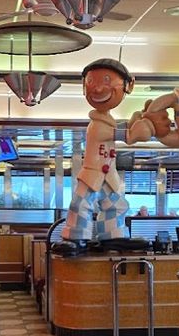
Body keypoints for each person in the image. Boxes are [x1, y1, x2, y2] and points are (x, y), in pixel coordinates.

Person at [57, 59, 170, 247]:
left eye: (107, 80)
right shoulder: (96, 125)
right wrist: (139, 130)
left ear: (128, 86)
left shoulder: (106, 119)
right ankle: (75, 237)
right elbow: (126, 135)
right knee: (81, 203)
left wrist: (136, 119)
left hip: (108, 173)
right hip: (93, 172)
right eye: (92, 82)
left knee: (115, 205)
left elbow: (122, 128)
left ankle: (112, 234)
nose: (99, 89)